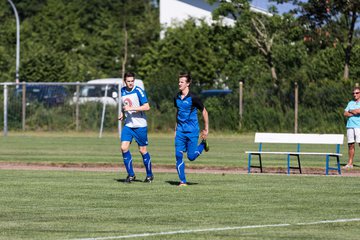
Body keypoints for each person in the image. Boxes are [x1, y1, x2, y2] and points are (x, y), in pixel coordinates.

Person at [174, 72, 210, 186]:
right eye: (179, 81)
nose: (179, 84)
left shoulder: (193, 98)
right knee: (178, 155)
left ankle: (203, 145)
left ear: (188, 83)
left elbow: (204, 111)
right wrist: (175, 130)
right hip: (180, 131)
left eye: (182, 82)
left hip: (192, 131)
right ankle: (182, 181)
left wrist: (206, 129)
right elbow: (178, 113)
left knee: (191, 157)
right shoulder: (176, 97)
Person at [118, 72, 154, 183]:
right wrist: (122, 113)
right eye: (128, 81)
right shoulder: (122, 90)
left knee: (142, 150)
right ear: (125, 81)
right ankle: (131, 175)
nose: (130, 83)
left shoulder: (139, 91)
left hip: (140, 126)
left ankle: (149, 175)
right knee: (124, 148)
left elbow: (147, 107)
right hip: (128, 125)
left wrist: (131, 108)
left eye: (132, 81)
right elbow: (124, 105)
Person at [343, 86, 360, 169]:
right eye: (353, 93)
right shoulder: (350, 103)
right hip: (350, 125)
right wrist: (354, 111)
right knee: (350, 145)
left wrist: (351, 111)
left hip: (358, 126)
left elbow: (359, 111)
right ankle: (350, 163)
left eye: (357, 93)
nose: (355, 94)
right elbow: (345, 113)